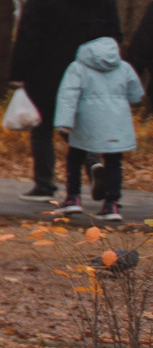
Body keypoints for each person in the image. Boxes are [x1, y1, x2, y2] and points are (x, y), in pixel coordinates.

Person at [7, 0, 120, 200]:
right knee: (79, 124)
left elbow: (28, 39)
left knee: (42, 126)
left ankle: (44, 185)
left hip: (47, 73)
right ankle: (93, 165)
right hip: (90, 73)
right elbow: (115, 34)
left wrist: (18, 74)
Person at [53, 34, 141, 219]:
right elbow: (136, 94)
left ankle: (73, 199)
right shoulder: (124, 68)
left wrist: (64, 123)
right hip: (116, 123)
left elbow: (68, 95)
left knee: (75, 157)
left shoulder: (78, 68)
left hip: (86, 122)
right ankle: (112, 205)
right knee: (114, 162)